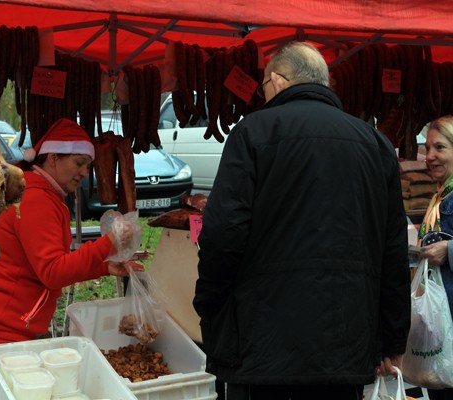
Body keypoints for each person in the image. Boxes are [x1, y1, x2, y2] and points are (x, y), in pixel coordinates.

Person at [193, 41, 410, 400]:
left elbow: (222, 235)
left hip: (262, 347)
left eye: (264, 86)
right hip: (345, 347)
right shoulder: (376, 144)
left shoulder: (253, 132)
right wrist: (393, 337)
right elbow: (393, 251)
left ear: (277, 81)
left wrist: (211, 309)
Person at [0, 118, 142, 400]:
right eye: (79, 163)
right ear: (54, 158)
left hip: (7, 330)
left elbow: (48, 264)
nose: (85, 172)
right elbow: (52, 271)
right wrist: (108, 242)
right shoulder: (36, 198)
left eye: (88, 165)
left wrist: (102, 266)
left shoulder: (42, 194)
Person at [417, 115, 453, 400]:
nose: (430, 156)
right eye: (427, 148)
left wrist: (449, 251)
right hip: (443, 325)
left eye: (439, 148)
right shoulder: (439, 197)